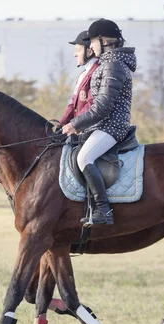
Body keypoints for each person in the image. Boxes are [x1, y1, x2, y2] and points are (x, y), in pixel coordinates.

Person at [61, 19, 137, 226]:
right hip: (103, 125)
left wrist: (75, 124)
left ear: (104, 41)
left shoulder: (114, 65)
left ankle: (103, 210)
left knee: (84, 158)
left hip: (112, 126)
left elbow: (102, 106)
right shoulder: (108, 63)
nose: (91, 46)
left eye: (93, 41)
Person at [59, 30, 99, 126]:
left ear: (89, 51)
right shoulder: (82, 74)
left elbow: (91, 104)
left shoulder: (97, 71)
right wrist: (61, 125)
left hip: (91, 127)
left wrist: (73, 125)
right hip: (79, 126)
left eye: (78, 50)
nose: (75, 54)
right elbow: (73, 105)